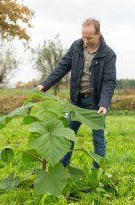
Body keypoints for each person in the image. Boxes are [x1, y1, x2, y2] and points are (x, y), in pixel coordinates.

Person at [37, 17, 116, 169]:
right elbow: (62, 68)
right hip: (77, 102)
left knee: (98, 139)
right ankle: (62, 169)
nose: (85, 41)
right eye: (83, 36)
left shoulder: (108, 54)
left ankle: (97, 173)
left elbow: (109, 82)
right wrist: (44, 85)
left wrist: (104, 103)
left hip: (96, 103)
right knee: (67, 136)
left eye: (89, 37)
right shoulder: (76, 47)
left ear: (98, 35)